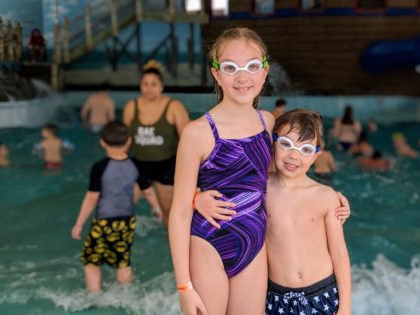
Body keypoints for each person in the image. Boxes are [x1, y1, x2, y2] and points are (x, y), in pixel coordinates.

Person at [168, 27, 350, 315]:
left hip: (253, 245)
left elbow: (273, 175)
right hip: (209, 243)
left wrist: (328, 194)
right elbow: (178, 212)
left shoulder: (266, 122)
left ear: (265, 72)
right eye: (231, 68)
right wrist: (184, 286)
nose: (243, 77)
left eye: (252, 66)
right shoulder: (198, 133)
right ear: (216, 73)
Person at [265, 109, 351, 315]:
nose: (294, 156)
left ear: (315, 156)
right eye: (286, 144)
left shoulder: (325, 196)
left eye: (305, 149)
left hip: (322, 293)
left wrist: (346, 306)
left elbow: (339, 254)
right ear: (273, 144)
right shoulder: (261, 190)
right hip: (275, 296)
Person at [71, 122, 163, 292]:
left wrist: (79, 223)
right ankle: (126, 292)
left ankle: (95, 295)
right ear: (128, 141)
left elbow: (92, 197)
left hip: (104, 222)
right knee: (122, 260)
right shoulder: (137, 165)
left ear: (102, 142)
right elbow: (148, 191)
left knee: (91, 260)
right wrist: (157, 209)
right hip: (127, 221)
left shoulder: (100, 167)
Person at [122, 60, 190, 227]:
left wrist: (191, 170)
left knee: (168, 211)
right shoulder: (132, 106)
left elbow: (188, 140)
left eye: (154, 84)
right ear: (140, 86)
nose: (149, 88)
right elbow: (125, 139)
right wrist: (116, 163)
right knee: (123, 208)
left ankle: (169, 245)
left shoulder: (174, 106)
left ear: (161, 86)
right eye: (145, 84)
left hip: (165, 166)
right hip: (138, 165)